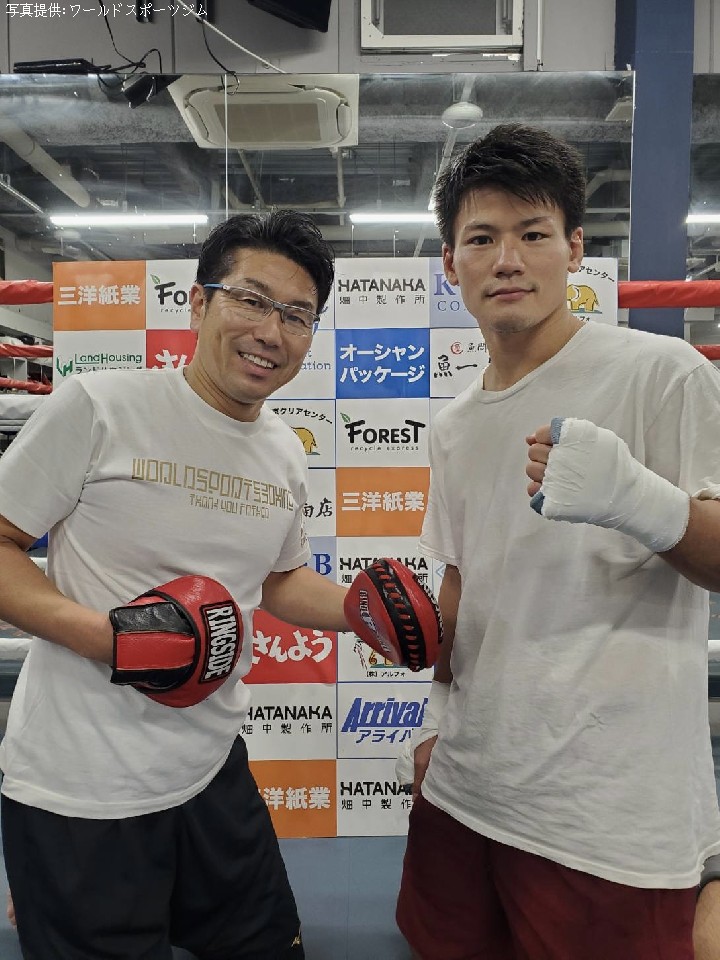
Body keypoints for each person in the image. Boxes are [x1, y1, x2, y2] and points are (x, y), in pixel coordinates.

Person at [0, 210, 440, 960]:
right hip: (83, 784)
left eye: (296, 314)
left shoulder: (282, 450)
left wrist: (361, 612)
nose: (271, 331)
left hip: (211, 769)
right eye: (251, 300)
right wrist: (107, 639)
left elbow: (277, 581)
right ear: (199, 303)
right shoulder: (101, 406)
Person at [395, 123, 720, 960]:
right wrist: (437, 715)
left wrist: (640, 502)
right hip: (468, 786)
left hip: (605, 813)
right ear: (450, 263)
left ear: (574, 248)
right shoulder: (454, 425)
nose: (508, 260)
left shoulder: (663, 373)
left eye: (533, 234)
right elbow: (463, 581)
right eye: (482, 239)